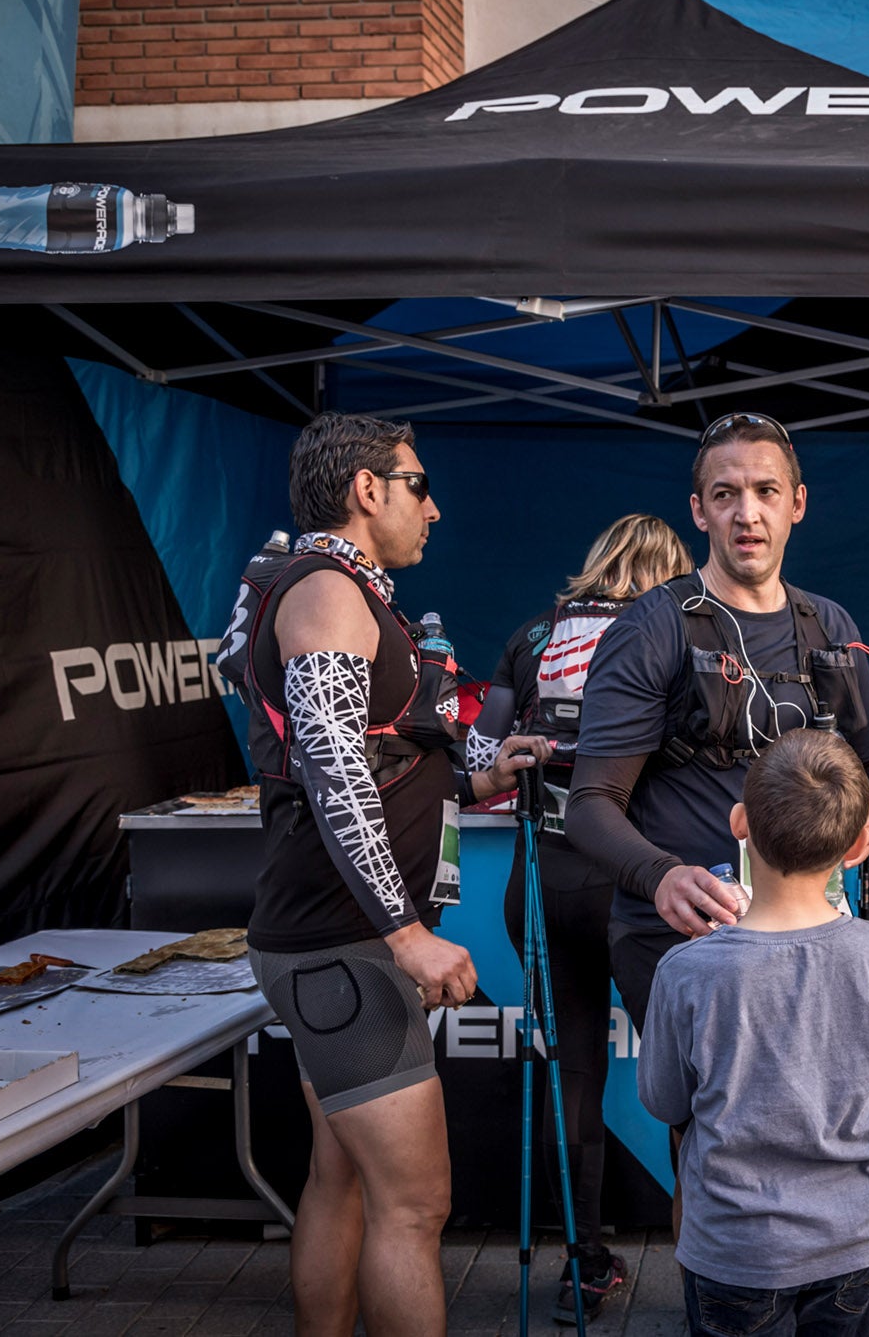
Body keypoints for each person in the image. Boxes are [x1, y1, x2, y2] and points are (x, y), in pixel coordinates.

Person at [224, 413, 538, 1337]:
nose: (432, 509)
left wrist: (479, 772)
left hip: (338, 941)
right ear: (368, 490)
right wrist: (405, 933)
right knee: (416, 1204)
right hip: (344, 945)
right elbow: (330, 766)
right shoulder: (324, 592)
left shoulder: (351, 591)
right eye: (417, 485)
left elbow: (376, 750)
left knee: (343, 1172)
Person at [566, 411, 869, 1038]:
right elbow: (590, 805)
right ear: (699, 511)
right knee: (717, 1126)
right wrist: (660, 875)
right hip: (686, 935)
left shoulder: (830, 626)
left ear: (796, 503)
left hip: (807, 927)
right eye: (726, 494)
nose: (747, 513)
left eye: (766, 491)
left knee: (811, 1118)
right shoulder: (650, 629)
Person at [466, 513, 693, 1322]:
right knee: (691, 1081)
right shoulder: (676, 632)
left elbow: (477, 764)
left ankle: (585, 1265)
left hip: (547, 873)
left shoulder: (534, 636)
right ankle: (711, 1263)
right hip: (642, 875)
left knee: (572, 1078)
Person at [636, 729, 869, 1337]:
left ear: (740, 822)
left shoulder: (686, 969)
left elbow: (664, 1100)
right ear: (860, 841)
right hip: (853, 1238)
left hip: (734, 1247)